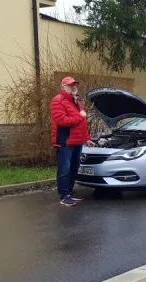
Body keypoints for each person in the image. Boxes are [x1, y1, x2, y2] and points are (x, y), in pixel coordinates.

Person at [50, 77, 95, 206]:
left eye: (75, 84)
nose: (73, 87)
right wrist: (79, 117)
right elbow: (61, 121)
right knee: (64, 169)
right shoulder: (57, 101)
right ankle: (64, 196)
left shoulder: (76, 101)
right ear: (63, 87)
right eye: (70, 85)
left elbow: (82, 124)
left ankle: (70, 191)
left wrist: (86, 139)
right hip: (64, 141)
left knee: (74, 168)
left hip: (77, 141)